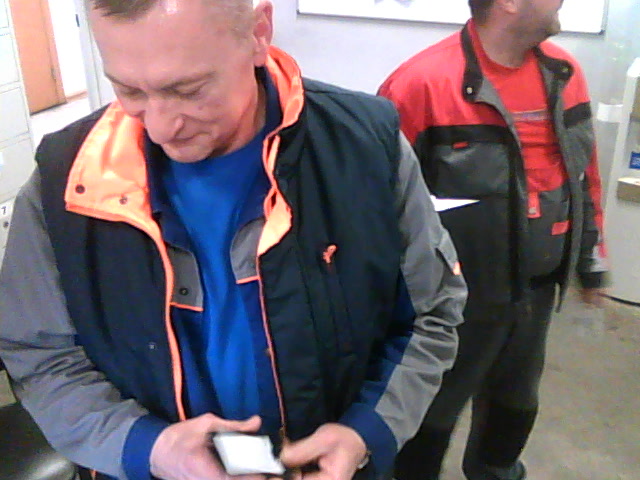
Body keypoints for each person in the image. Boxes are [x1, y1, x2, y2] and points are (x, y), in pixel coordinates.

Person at [0, 1, 467, 480]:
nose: (159, 127)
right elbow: (40, 355)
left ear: (259, 31)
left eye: (187, 90)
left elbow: (431, 314)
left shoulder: (367, 147)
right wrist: (145, 447)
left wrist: (365, 432)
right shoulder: (65, 181)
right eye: (128, 90)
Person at [378, 0, 608, 479]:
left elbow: (584, 173)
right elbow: (379, 207)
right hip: (452, 303)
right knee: (429, 416)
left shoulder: (564, 73)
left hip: (536, 292)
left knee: (516, 405)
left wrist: (590, 256)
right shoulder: (421, 84)